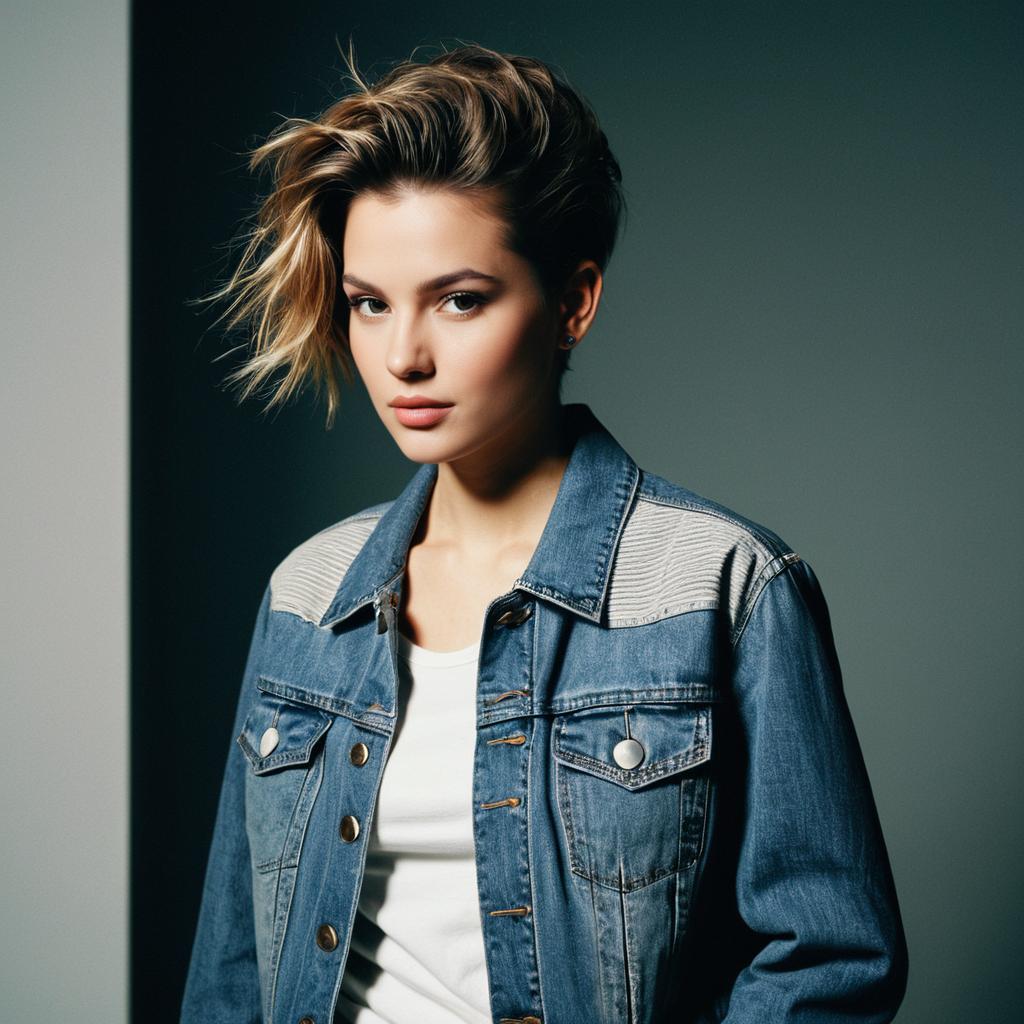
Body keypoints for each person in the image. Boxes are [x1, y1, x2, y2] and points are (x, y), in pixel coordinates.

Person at [180, 41, 908, 1024]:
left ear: (572, 301)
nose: (404, 355)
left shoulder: (721, 587)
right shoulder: (309, 593)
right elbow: (233, 969)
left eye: (460, 298)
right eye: (368, 304)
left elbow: (831, 959)